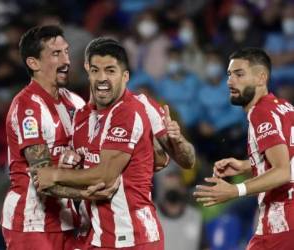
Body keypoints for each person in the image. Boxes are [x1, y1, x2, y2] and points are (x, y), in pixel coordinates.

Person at [35, 37, 196, 249]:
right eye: (95, 70)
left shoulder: (132, 110)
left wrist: (54, 175)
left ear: (125, 76)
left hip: (132, 236)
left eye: (110, 71)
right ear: (88, 71)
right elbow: (91, 174)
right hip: (98, 234)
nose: (102, 78)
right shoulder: (81, 118)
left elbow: (186, 161)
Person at [0, 25, 112, 250]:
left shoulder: (76, 103)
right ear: (34, 63)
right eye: (56, 54)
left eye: (67, 52)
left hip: (69, 221)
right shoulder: (26, 108)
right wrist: (90, 192)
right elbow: (43, 178)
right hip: (31, 224)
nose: (67, 60)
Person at [194, 47, 294, 250]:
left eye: (239, 74)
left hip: (282, 219)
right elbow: (289, 158)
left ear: (261, 78)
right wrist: (247, 165)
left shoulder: (261, 113)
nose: (230, 81)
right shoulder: (284, 107)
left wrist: (235, 190)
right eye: (229, 74)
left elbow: (283, 171)